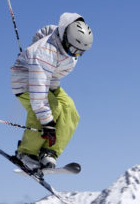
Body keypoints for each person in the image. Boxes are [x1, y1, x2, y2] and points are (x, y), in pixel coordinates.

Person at [10, 12, 93, 171]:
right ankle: (27, 153)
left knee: (70, 109)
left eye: (80, 52)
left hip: (48, 82)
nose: (75, 54)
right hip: (26, 83)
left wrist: (31, 48)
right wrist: (47, 123)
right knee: (51, 108)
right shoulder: (45, 54)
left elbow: (44, 32)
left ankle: (49, 152)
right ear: (66, 38)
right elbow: (39, 98)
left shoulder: (61, 35)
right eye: (74, 49)